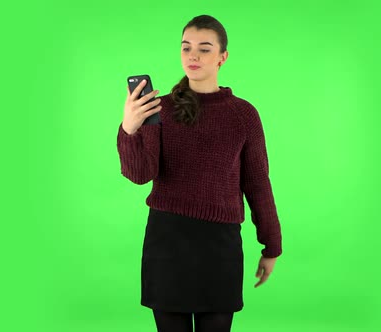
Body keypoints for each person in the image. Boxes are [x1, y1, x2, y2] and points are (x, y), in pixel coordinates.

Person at [117, 14, 282, 332]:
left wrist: (271, 245)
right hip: (167, 244)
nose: (193, 55)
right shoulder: (158, 109)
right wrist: (129, 128)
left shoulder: (243, 115)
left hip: (219, 247)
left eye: (204, 48)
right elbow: (140, 174)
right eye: (186, 47)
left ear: (223, 57)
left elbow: (257, 183)